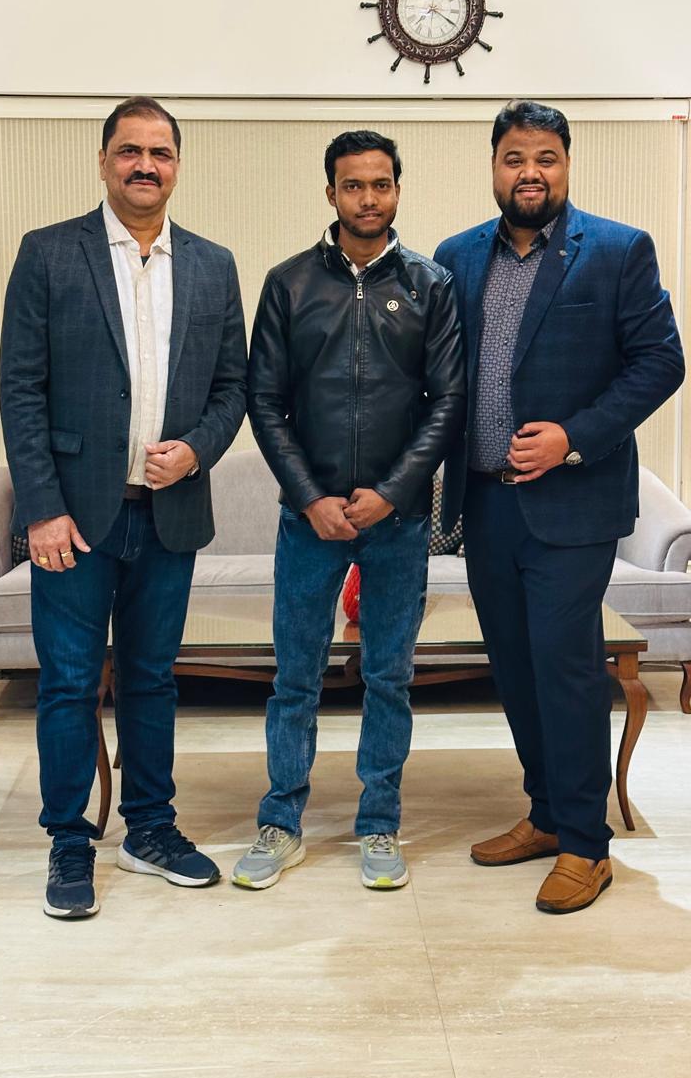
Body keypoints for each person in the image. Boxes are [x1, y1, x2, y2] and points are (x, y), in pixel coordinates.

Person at [0, 96, 247, 918]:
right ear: (104, 161)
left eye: (160, 152)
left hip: (169, 513)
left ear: (177, 166)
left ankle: (151, 828)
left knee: (151, 680)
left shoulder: (213, 264)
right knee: (70, 684)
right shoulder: (48, 253)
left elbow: (233, 386)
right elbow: (21, 389)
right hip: (72, 518)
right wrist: (41, 508)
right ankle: (69, 841)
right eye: (130, 151)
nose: (146, 165)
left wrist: (198, 449)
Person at [435, 100, 684, 914]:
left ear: (567, 164)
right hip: (485, 502)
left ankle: (585, 844)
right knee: (513, 668)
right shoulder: (457, 256)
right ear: (494, 166)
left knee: (566, 669)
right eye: (515, 158)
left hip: (573, 503)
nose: (530, 172)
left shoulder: (616, 250)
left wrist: (573, 437)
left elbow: (660, 363)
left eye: (545, 157)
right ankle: (545, 815)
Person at [232, 129, 465, 891]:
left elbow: (447, 401)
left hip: (397, 520)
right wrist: (311, 497)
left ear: (397, 189)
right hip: (311, 519)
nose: (368, 198)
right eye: (353, 185)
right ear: (330, 192)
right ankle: (280, 821)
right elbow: (264, 400)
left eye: (381, 184)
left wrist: (392, 492)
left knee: (389, 678)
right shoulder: (289, 283)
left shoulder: (430, 285)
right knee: (295, 677)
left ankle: (379, 823)